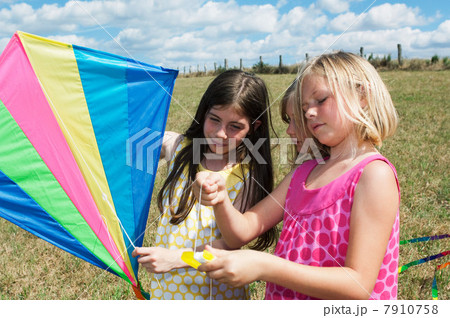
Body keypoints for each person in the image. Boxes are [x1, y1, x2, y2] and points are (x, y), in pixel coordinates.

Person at [194, 51, 400, 300]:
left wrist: (264, 266)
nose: (310, 114)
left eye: (320, 100)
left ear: (362, 96)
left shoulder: (373, 174)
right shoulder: (303, 173)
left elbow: (358, 285)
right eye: (304, 109)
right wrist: (220, 199)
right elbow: (243, 230)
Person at [132, 70, 277, 300]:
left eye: (235, 127)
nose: (220, 134)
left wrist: (176, 259)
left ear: (255, 127)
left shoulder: (247, 175)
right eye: (214, 120)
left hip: (215, 295)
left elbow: (231, 244)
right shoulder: (179, 147)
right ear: (204, 112)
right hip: (168, 290)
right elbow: (133, 139)